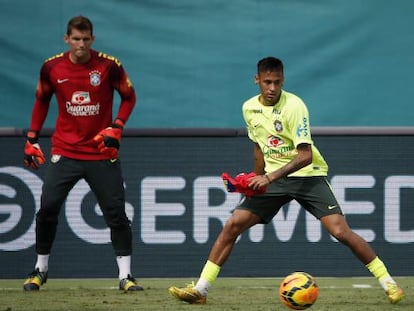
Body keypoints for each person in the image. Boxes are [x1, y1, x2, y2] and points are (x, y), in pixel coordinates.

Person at [168, 57, 405, 304]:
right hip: (274, 180)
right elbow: (258, 148)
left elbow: (305, 155)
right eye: (267, 82)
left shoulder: (295, 106)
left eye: (277, 83)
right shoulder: (249, 108)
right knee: (232, 225)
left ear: (283, 81)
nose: (272, 88)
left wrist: (268, 177)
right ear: (256, 80)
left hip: (307, 176)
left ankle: (389, 283)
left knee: (340, 231)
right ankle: (201, 291)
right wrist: (254, 178)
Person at [23, 15, 143, 292]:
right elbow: (41, 100)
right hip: (64, 150)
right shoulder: (52, 67)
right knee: (48, 209)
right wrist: (32, 138)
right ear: (67, 39)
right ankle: (40, 270)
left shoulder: (108, 66)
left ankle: (125, 276)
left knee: (116, 213)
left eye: (85, 39)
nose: (80, 44)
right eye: (75, 39)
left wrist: (117, 127)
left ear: (92, 40)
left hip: (101, 151)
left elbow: (129, 96)